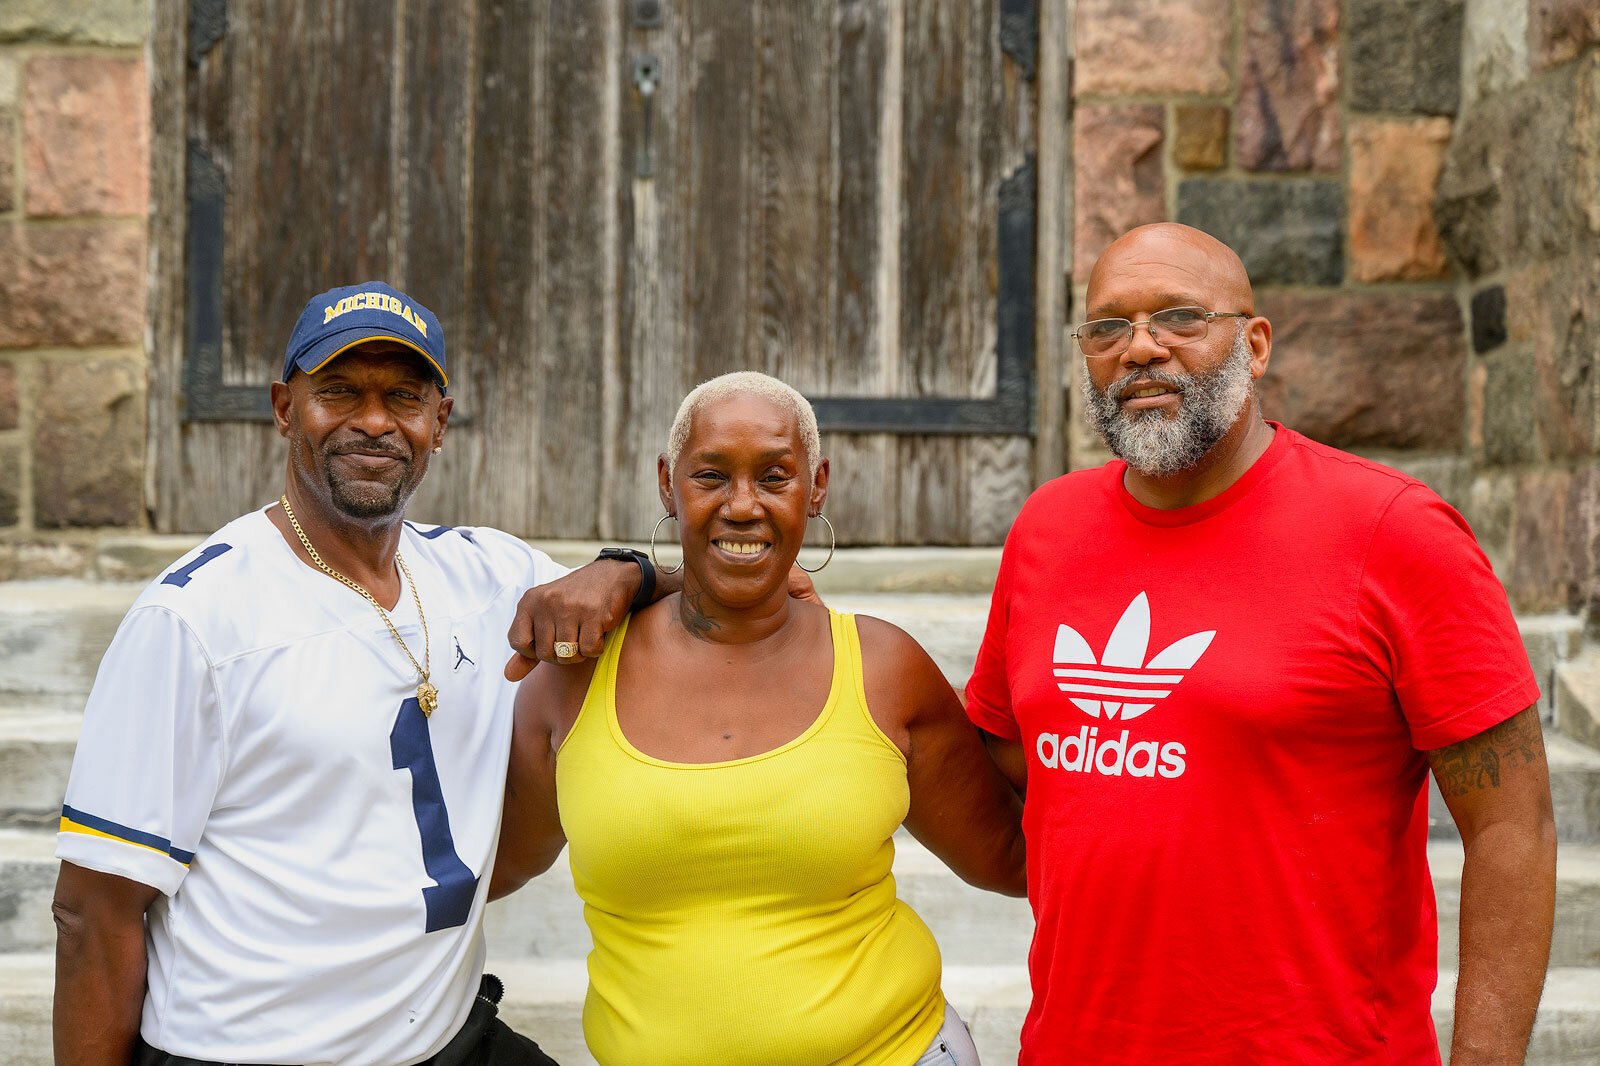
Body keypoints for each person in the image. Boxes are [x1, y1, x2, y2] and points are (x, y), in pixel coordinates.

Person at [965, 223, 1557, 1064]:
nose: (1140, 349)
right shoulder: (1046, 530)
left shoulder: (1394, 533)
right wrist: (789, 634)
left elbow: (1514, 826)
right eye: (1107, 327)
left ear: (1255, 344)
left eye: (1178, 317)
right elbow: (1003, 770)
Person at [50, 282, 669, 1066]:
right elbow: (91, 911)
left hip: (445, 1039)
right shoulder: (196, 619)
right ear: (284, 408)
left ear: (438, 422)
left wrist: (628, 572)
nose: (373, 421)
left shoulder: (488, 575)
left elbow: (703, 600)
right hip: (250, 1052)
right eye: (339, 391)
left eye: (403, 397)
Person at [492, 371, 1027, 1065]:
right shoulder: (574, 682)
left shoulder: (884, 670)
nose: (742, 506)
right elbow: (493, 868)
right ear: (667, 483)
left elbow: (1009, 859)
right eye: (711, 476)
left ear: (818, 486)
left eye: (774, 477)